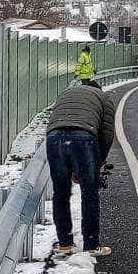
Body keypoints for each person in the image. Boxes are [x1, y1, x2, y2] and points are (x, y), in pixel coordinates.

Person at [46, 80, 115, 257]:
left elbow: (55, 118)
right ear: (98, 90)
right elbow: (107, 135)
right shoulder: (104, 98)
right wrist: (99, 162)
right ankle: (91, 245)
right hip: (83, 136)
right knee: (89, 192)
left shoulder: (66, 93)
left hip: (54, 137)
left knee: (60, 193)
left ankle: (65, 244)